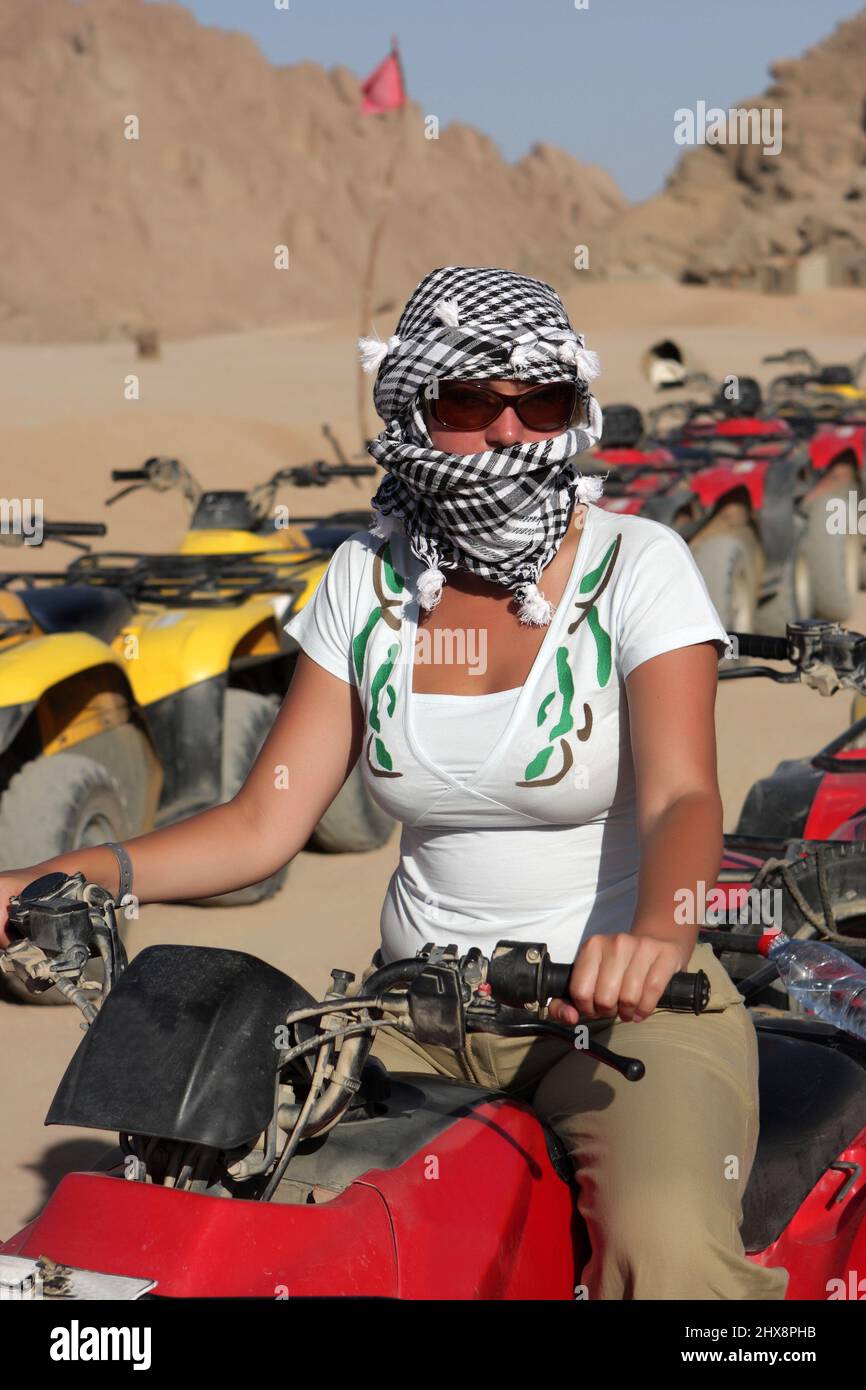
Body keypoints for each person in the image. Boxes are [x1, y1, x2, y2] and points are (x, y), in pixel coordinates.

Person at [0, 265, 788, 1301]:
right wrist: (73, 871)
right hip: (415, 1012)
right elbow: (259, 820)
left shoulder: (635, 567)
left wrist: (651, 937)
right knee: (239, 1222)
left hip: (623, 1019)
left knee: (668, 1245)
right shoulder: (363, 586)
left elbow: (683, 797)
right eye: (468, 403)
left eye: (539, 402)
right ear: (410, 408)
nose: (509, 432)